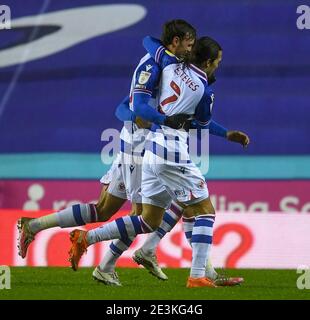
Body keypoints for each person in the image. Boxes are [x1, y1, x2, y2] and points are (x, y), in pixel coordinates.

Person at [68, 35, 250, 288]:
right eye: (217, 62)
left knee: (148, 220)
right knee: (204, 210)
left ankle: (86, 238)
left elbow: (149, 42)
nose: (218, 67)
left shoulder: (170, 65)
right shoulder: (204, 90)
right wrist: (224, 132)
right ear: (207, 61)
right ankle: (198, 275)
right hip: (173, 152)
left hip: (152, 149)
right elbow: (201, 124)